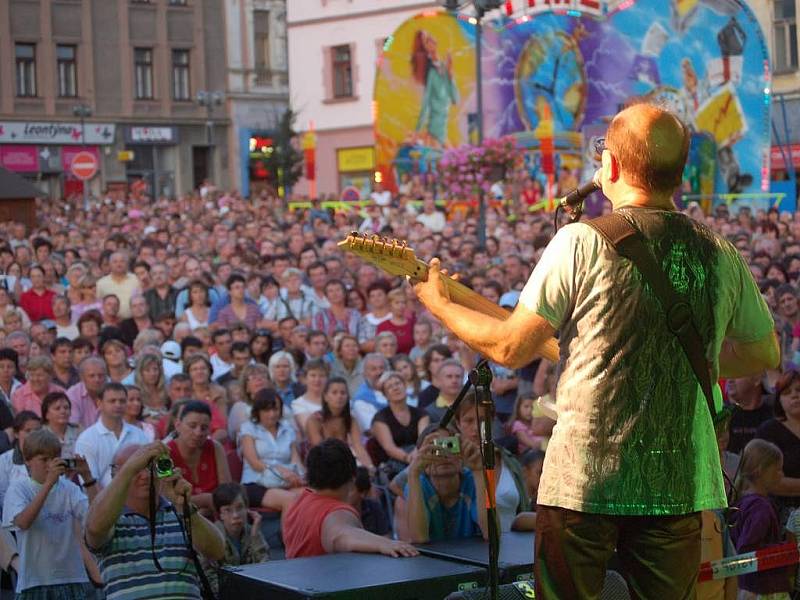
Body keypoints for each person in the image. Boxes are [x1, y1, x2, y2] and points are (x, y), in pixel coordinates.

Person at [412, 103, 780, 599]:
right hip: (678, 483)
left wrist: (439, 303)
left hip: (584, 482)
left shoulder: (580, 243)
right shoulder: (720, 252)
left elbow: (508, 346)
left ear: (610, 167)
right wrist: (704, 354)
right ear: (679, 173)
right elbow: (763, 353)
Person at [85, 442, 225, 598]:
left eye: (151, 467)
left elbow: (217, 552)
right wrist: (129, 469)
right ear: (116, 475)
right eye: (137, 469)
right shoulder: (110, 519)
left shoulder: (181, 514)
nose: (145, 476)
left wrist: (185, 509)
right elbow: (95, 529)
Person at [282, 439, 418, 559]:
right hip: (324, 585)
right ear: (353, 477)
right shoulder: (337, 512)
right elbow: (341, 535)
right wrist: (385, 544)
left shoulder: (298, 501)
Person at [2, 429, 97, 598]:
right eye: (43, 459)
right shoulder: (19, 488)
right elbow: (23, 522)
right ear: (28, 461)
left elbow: (94, 519)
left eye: (54, 459)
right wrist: (48, 484)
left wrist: (88, 478)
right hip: (35, 582)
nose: (49, 465)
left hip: (72, 578)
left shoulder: (69, 488)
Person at [729, 439, 792, 598]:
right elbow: (747, 550)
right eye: (777, 470)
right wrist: (785, 549)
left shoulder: (743, 502)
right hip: (761, 589)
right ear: (759, 471)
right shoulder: (760, 508)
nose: (782, 475)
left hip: (747, 586)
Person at [404, 426, 489, 543]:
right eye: (435, 449)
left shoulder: (473, 479)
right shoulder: (418, 485)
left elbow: (491, 533)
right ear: (421, 458)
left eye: (450, 445)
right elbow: (418, 538)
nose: (444, 455)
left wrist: (479, 472)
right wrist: (413, 474)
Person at [238, 388, 304, 510]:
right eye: (267, 410)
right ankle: (288, 530)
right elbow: (254, 463)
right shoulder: (248, 429)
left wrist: (298, 476)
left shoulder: (288, 429)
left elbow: (296, 461)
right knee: (290, 500)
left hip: (286, 482)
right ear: (258, 411)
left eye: (275, 409)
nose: (272, 414)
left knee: (311, 495)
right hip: (256, 482)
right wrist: (280, 471)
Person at [75, 382, 150, 488]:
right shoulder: (87, 439)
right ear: (99, 403)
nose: (118, 405)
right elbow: (89, 482)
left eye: (122, 401)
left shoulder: (139, 435)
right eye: (112, 401)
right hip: (101, 501)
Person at [203, 483, 269, 597]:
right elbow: (209, 577)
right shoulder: (212, 536)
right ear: (220, 514)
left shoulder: (252, 532)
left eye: (239, 508)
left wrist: (255, 537)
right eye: (228, 510)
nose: (235, 515)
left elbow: (265, 570)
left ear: (247, 509)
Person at [167, 400, 232, 513]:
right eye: (192, 426)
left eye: (204, 428)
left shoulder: (215, 448)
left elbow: (227, 494)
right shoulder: (165, 454)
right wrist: (205, 500)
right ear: (178, 425)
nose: (198, 433)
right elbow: (164, 499)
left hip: (215, 516)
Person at [755, 369, 800, 521]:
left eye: (799, 390)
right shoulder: (768, 431)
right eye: (787, 392)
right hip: (781, 515)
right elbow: (769, 481)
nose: (795, 395)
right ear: (779, 399)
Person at [306, 377, 373, 471]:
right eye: (334, 393)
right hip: (322, 465)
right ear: (325, 397)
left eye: (343, 393)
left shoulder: (351, 419)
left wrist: (370, 467)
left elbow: (359, 447)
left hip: (344, 461)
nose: (339, 396)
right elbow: (319, 450)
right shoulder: (315, 420)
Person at [371, 371, 429, 475]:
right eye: (390, 387)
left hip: (420, 455)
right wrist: (408, 458)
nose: (395, 388)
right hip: (396, 463)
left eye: (398, 384)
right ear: (385, 395)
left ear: (405, 386)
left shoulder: (421, 413)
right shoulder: (380, 418)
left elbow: (423, 440)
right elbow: (389, 448)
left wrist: (416, 454)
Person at [95, 251, 140, 319]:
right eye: (115, 262)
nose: (119, 264)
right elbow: (99, 303)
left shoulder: (136, 280)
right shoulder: (101, 283)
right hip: (111, 321)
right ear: (110, 264)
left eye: (122, 261)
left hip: (132, 320)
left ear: (127, 263)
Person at [66, 356, 107, 430]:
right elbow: (74, 426)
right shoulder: (72, 395)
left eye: (100, 375)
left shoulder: (114, 392)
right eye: (92, 376)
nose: (97, 380)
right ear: (82, 377)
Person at [291, 358, 329, 433]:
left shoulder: (339, 400)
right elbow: (308, 429)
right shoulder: (298, 404)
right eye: (313, 375)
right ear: (305, 379)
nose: (317, 379)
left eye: (321, 375)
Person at [41, 391, 82, 458]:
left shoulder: (79, 432)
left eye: (66, 408)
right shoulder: (39, 436)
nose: (63, 411)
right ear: (46, 414)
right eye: (57, 408)